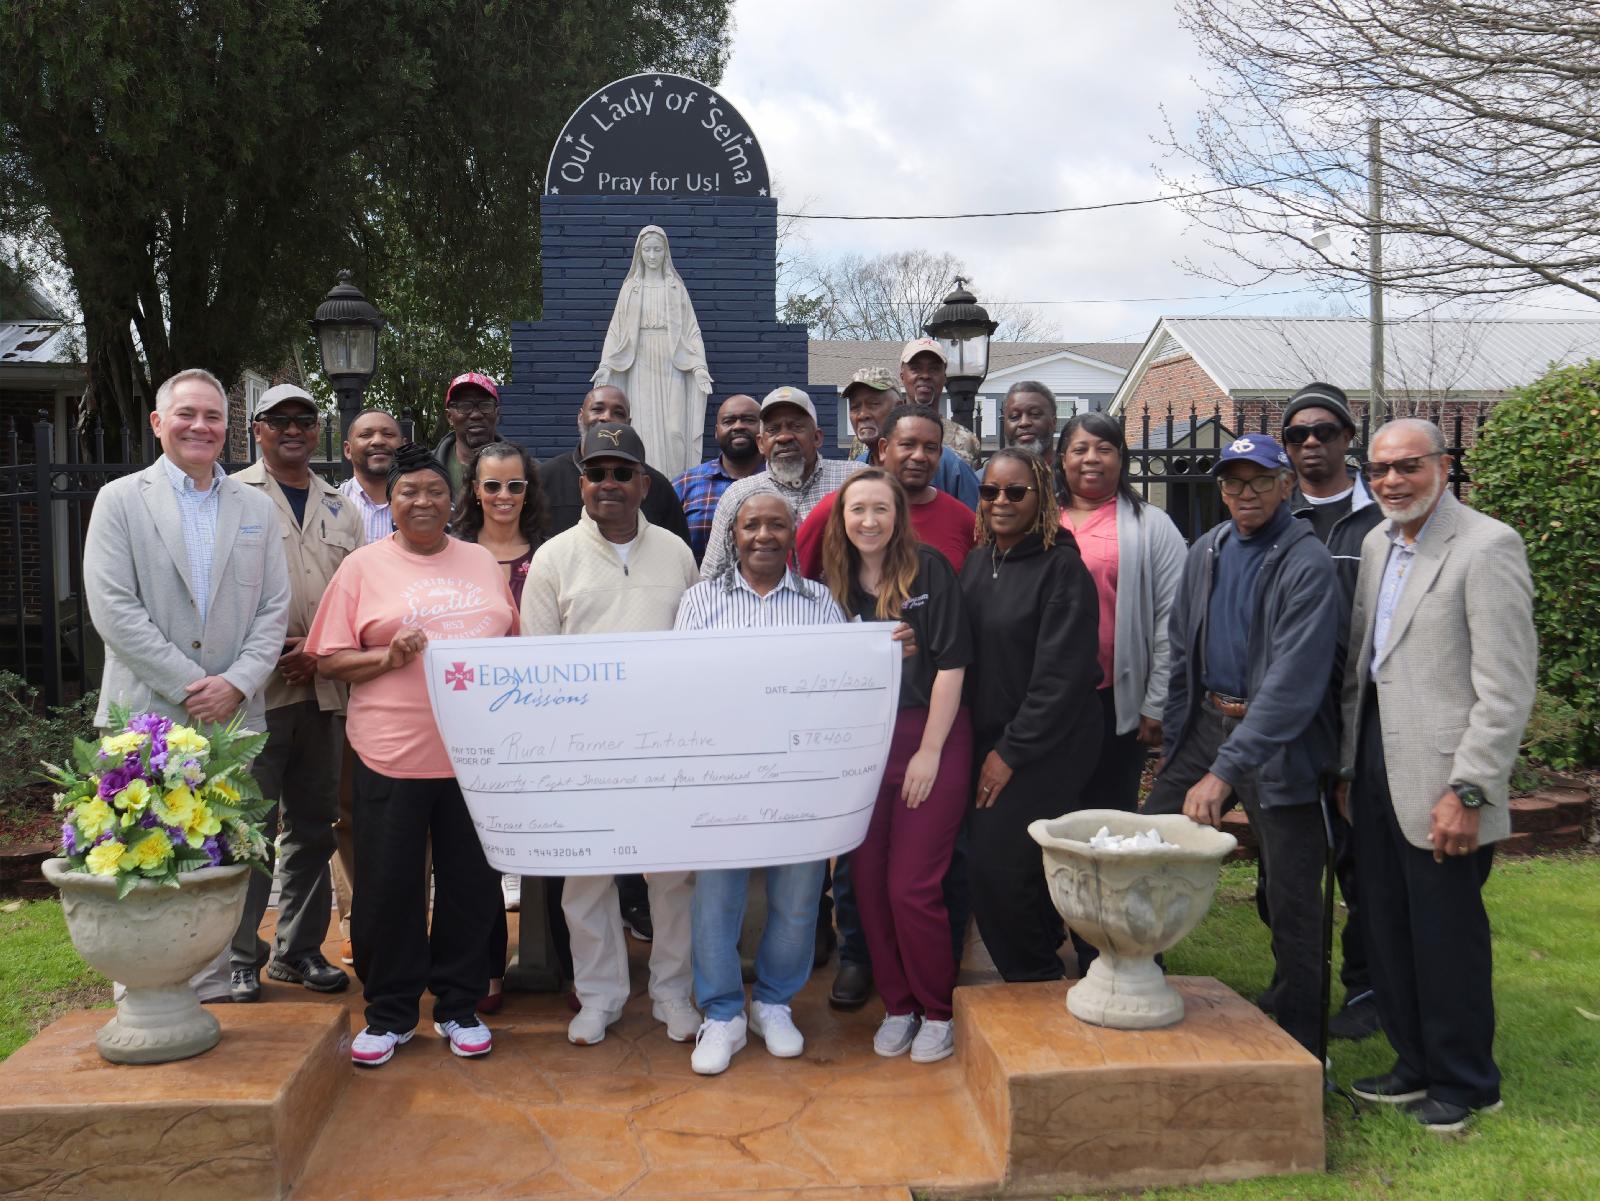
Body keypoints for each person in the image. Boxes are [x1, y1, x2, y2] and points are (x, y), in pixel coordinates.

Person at [1337, 419, 1535, 1133]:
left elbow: (1506, 688)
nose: (1392, 479)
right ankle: (1414, 1062)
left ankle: (1467, 1081)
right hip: (1375, 765)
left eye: (1408, 466)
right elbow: (1366, 661)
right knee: (1386, 927)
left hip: (1448, 779)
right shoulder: (1375, 543)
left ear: (1443, 467)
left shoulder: (1487, 546)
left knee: (1445, 935)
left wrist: (1471, 789)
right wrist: (1346, 771)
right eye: (1380, 467)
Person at [82, 367, 291, 1003]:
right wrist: (193, 681)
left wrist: (237, 683)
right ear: (158, 422)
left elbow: (274, 610)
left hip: (233, 721)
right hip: (147, 715)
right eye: (187, 414)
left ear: (229, 428)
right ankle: (148, 990)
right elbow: (113, 608)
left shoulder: (256, 507)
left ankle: (214, 982)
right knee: (147, 853)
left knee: (225, 857)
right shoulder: (120, 500)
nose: (201, 427)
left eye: (214, 417)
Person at [307, 442, 516, 1067]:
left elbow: (514, 646)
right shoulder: (363, 569)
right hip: (391, 753)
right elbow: (326, 659)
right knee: (388, 887)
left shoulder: (482, 562)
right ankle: (392, 1012)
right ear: (389, 502)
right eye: (408, 492)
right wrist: (386, 658)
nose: (422, 500)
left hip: (473, 758)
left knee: (471, 887)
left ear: (453, 499)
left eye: (433, 490)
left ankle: (458, 1005)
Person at [1143, 435, 1339, 1057]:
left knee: (1290, 896)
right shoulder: (1208, 550)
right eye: (1233, 482)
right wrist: (1181, 748)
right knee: (1146, 848)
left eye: (1259, 480)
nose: (1244, 492)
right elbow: (1181, 657)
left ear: (1287, 485)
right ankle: (1143, 984)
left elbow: (1292, 684)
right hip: (1208, 722)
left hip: (1279, 740)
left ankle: (1301, 1035)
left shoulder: (1307, 562)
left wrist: (1223, 772)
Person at [520, 422, 701, 1047]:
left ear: (642, 484)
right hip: (582, 750)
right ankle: (599, 995)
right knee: (586, 878)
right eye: (597, 473)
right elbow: (536, 665)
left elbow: (695, 649)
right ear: (582, 483)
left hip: (663, 745)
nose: (609, 484)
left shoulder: (678, 553)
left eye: (622, 472)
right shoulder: (552, 558)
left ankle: (673, 993)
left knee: (671, 879)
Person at [673, 491, 847, 1075]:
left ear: (793, 534)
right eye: (752, 526)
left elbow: (838, 687)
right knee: (715, 902)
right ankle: (721, 1014)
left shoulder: (820, 602)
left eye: (777, 524)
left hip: (797, 781)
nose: (765, 535)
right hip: (722, 779)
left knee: (797, 903)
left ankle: (772, 1003)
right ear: (734, 535)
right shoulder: (700, 602)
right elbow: (683, 690)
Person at [821, 469, 972, 1064]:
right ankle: (899, 1005)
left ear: (897, 515)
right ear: (842, 516)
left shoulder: (929, 568)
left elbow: (952, 666)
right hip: (861, 745)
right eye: (857, 509)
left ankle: (937, 1010)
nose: (868, 521)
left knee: (912, 886)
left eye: (880, 509)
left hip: (926, 734)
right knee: (867, 884)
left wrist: (929, 752)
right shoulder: (829, 582)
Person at [226, 384, 363, 1003]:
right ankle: (236, 954)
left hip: (324, 690)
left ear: (318, 429)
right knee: (246, 827)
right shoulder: (231, 497)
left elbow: (360, 595)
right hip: (256, 691)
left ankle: (298, 950)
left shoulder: (343, 508)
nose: (292, 429)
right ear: (256, 429)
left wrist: (321, 651)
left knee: (313, 826)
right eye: (277, 420)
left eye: (303, 419)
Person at [958, 448, 1101, 982]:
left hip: (1046, 746)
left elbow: (1061, 680)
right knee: (1018, 870)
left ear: (1041, 499)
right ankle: (1044, 969)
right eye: (990, 491)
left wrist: (1008, 754)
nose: (1000, 501)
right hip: (990, 739)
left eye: (1016, 492)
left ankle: (1033, 978)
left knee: (994, 870)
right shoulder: (979, 560)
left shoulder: (1062, 568)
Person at [1281, 382, 1385, 1041]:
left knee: (1363, 862)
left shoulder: (1380, 521)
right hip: (1291, 719)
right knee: (1286, 868)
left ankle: (1368, 989)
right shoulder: (1273, 515)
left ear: (1350, 438)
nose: (1311, 442)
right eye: (1298, 435)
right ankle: (1296, 978)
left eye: (1324, 431)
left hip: (1364, 714)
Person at [450, 440, 550, 1011]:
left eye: (516, 485)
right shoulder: (455, 555)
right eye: (493, 485)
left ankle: (547, 960)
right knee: (474, 850)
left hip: (542, 720)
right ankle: (484, 968)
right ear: (474, 490)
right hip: (475, 722)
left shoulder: (552, 553)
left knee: (546, 848)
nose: (504, 496)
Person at [1053, 412, 1186, 810]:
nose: (1091, 458)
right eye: (1080, 449)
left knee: (1108, 815)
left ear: (1121, 459)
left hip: (1113, 701)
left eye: (1104, 449)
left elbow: (1173, 621)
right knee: (1049, 815)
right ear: (1062, 459)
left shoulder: (1152, 526)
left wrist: (1157, 702)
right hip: (1045, 701)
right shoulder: (1039, 519)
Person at [700, 386, 863, 578]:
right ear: (761, 443)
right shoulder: (738, 495)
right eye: (773, 429)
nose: (784, 437)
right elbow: (713, 575)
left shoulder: (855, 480)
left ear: (817, 437)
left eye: (796, 427)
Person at [591, 225, 713, 479]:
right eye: (647, 250)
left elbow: (692, 330)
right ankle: (640, 482)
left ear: (665, 252)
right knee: (642, 426)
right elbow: (616, 330)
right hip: (639, 359)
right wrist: (606, 364)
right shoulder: (631, 289)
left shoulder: (676, 289)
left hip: (672, 360)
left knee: (673, 429)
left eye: (658, 249)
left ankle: (675, 484)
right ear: (640, 253)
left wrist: (699, 367)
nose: (653, 255)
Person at [798, 403, 976, 577]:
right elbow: (794, 578)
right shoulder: (837, 508)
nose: (919, 456)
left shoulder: (964, 520)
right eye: (908, 444)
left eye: (930, 448)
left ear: (939, 455)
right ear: (883, 449)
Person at [539, 386, 692, 546]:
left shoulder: (657, 486)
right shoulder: (545, 479)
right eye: (597, 409)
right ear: (580, 416)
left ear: (628, 423)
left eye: (618, 413)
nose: (606, 417)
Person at [845, 367, 978, 508]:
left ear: (898, 407)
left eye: (874, 404)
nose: (862, 415)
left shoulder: (948, 465)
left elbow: (977, 524)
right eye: (855, 407)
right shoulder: (857, 467)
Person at [672, 393, 764, 564]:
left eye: (749, 420)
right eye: (729, 421)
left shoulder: (780, 481)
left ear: (763, 429)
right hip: (699, 588)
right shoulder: (684, 485)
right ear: (716, 432)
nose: (738, 426)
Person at [899, 338, 981, 469]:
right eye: (916, 368)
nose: (925, 375)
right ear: (902, 376)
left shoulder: (967, 440)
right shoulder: (883, 434)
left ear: (944, 377)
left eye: (934, 369)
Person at [433, 372, 503, 496]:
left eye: (485, 405)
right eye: (465, 406)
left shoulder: (527, 470)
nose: (476, 415)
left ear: (497, 414)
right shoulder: (425, 469)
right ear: (449, 417)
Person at [339, 408, 402, 545]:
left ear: (403, 445)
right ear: (348, 450)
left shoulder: (426, 504)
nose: (378, 441)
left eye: (388, 434)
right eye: (366, 435)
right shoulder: (328, 506)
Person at [1002, 382, 1058, 455]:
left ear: (1054, 422)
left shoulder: (1071, 466)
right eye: (1014, 416)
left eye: (1035, 414)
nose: (1024, 422)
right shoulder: (993, 466)